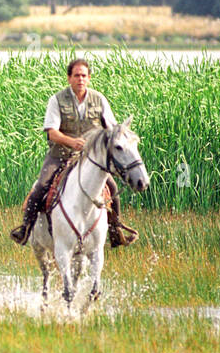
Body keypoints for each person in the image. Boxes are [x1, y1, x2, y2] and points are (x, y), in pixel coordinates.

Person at [9, 57, 137, 247]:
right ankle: (25, 228)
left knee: (113, 189)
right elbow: (52, 133)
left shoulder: (99, 99)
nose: (80, 79)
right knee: (40, 188)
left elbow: (111, 129)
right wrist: (72, 142)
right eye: (76, 75)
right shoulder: (57, 100)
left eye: (84, 76)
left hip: (90, 160)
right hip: (60, 155)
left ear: (89, 78)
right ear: (69, 78)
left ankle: (115, 230)